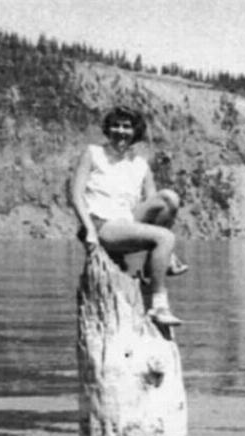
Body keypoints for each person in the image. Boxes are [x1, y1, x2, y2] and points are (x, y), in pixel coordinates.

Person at [70, 105, 187, 327]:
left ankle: (154, 265)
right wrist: (90, 231)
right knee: (165, 238)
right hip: (102, 223)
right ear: (107, 129)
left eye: (126, 127)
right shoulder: (93, 153)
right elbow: (76, 195)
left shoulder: (140, 164)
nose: (120, 131)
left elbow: (154, 205)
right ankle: (159, 305)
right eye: (115, 125)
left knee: (169, 198)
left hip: (128, 221)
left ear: (135, 131)